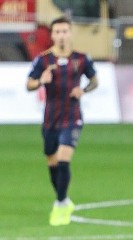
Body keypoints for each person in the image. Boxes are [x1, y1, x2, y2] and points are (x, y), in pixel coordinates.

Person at [26, 16, 98, 226]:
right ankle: (64, 199)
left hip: (72, 117)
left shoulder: (82, 59)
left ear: (70, 33)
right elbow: (29, 84)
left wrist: (83, 90)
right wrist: (41, 81)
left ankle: (59, 204)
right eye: (57, 32)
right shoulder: (43, 60)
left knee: (64, 158)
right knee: (52, 162)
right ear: (52, 35)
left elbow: (94, 81)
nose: (61, 35)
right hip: (50, 120)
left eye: (65, 31)